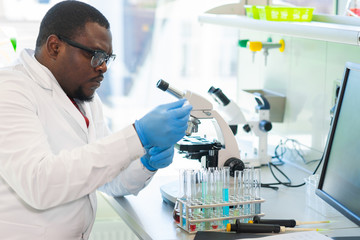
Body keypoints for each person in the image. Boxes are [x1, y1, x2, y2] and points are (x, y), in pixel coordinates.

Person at [0, 1, 192, 239]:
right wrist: (137, 135)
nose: (103, 67)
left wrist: (145, 163)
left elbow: (107, 180)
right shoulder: (10, 89)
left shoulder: (85, 98)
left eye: (107, 58)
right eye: (95, 55)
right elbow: (40, 184)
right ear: (54, 46)